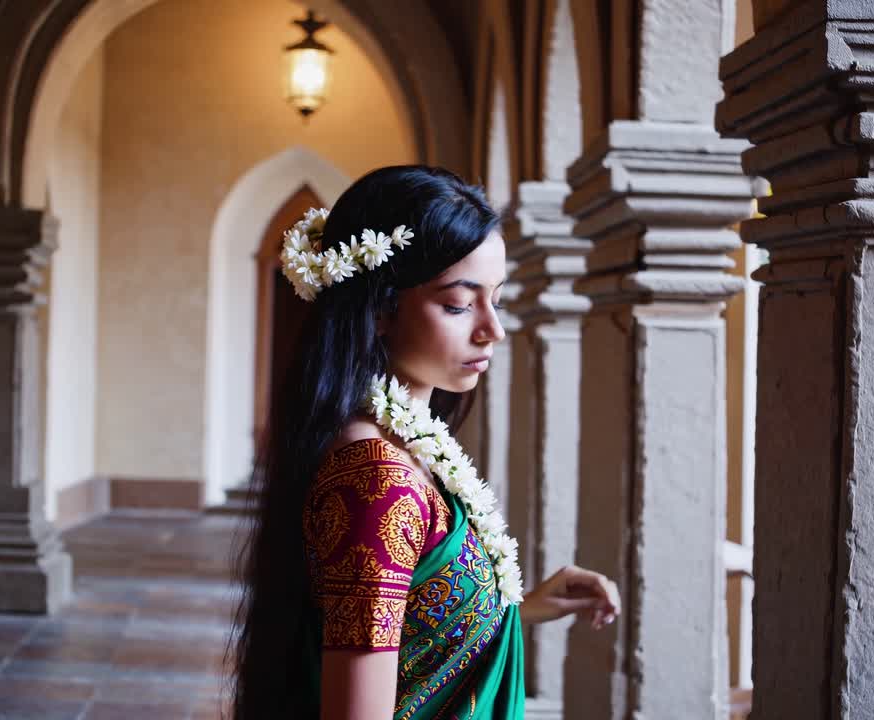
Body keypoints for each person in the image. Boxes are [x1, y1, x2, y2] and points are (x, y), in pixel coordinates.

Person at [231, 165, 621, 720]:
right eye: (460, 304)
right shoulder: (374, 480)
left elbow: (408, 617)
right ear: (381, 309)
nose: (493, 328)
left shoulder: (402, 442)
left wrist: (523, 607)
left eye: (498, 300)